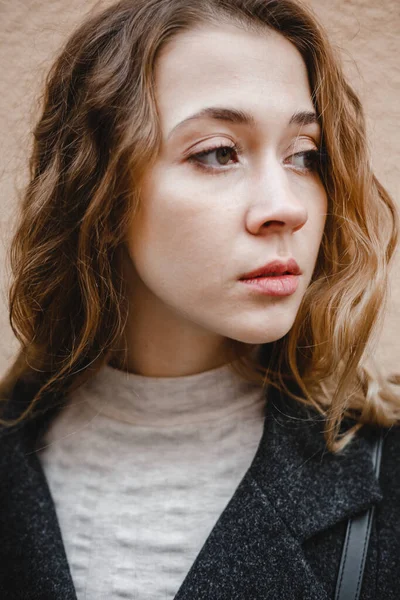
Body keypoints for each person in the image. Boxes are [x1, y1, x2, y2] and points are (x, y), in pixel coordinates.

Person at [0, 0, 399, 598]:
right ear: (98, 186)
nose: (285, 206)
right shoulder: (17, 455)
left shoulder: (382, 465)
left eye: (304, 155)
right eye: (218, 152)